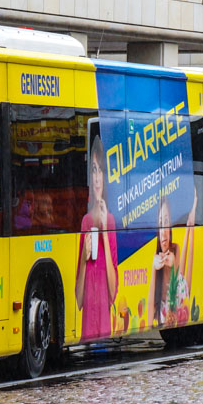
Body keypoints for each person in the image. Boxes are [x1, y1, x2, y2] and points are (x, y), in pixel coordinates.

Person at [75, 136, 118, 341]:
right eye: (94, 170)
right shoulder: (84, 222)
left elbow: (112, 292)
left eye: (101, 170)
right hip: (87, 327)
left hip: (104, 324)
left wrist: (104, 232)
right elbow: (79, 298)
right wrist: (83, 259)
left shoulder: (110, 221)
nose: (97, 177)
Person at [152, 190, 197, 328]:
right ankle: (190, 227)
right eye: (160, 223)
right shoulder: (156, 258)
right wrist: (155, 266)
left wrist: (190, 227)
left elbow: (183, 275)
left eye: (166, 222)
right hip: (177, 293)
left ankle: (190, 227)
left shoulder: (174, 250)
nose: (163, 230)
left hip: (179, 290)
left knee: (183, 277)